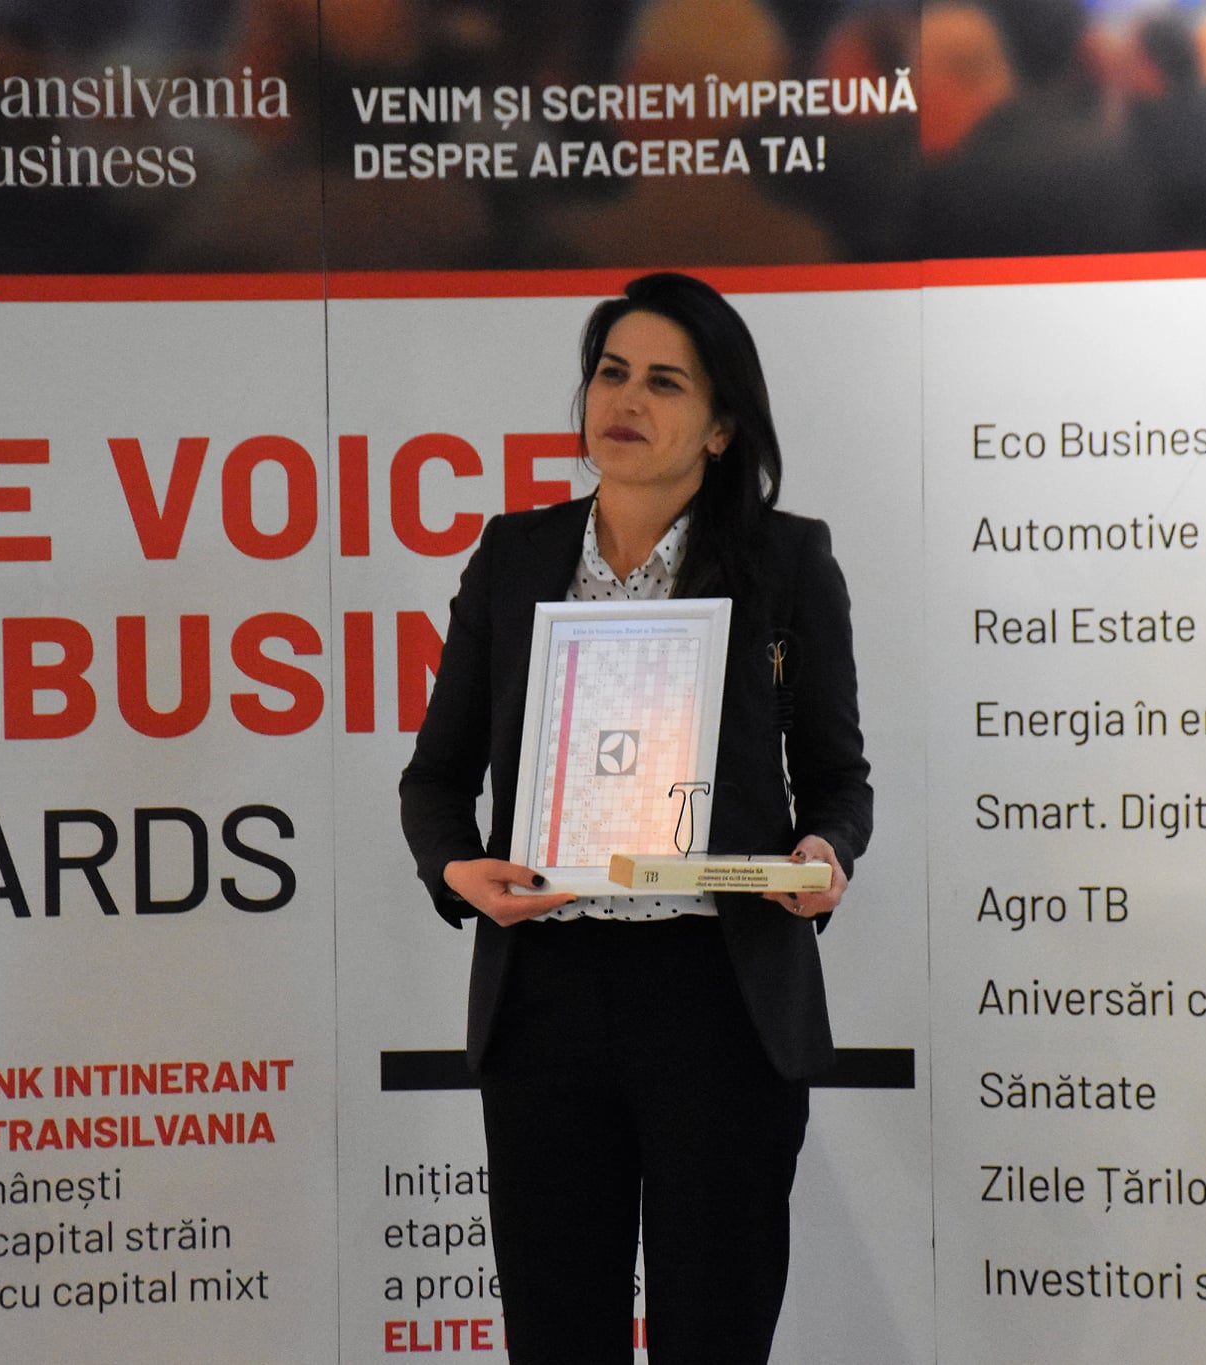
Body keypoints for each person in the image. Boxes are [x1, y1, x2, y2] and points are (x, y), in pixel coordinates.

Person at [399, 271, 872, 1364]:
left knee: (713, 1336)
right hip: (546, 1000)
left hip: (720, 998)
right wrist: (459, 871)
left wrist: (823, 851)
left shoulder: (787, 562)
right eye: (612, 372)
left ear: (720, 427)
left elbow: (839, 782)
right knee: (557, 1339)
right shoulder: (514, 555)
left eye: (665, 382)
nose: (625, 399)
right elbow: (434, 781)